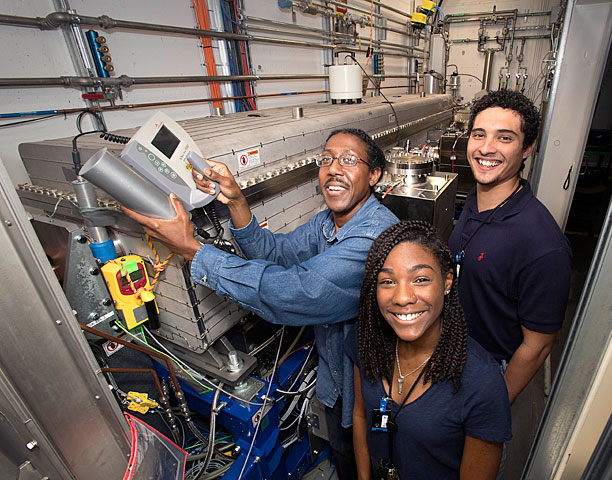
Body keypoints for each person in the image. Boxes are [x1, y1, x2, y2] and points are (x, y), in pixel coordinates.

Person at [122, 128, 399, 480]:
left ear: (373, 175)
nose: (333, 169)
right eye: (326, 158)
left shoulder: (372, 236)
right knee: (345, 454)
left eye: (348, 160)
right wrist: (237, 201)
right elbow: (277, 254)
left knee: (375, 461)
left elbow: (297, 293)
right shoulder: (328, 221)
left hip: (372, 387)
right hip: (338, 379)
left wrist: (193, 250)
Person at [347, 220, 511, 480]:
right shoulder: (366, 339)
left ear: (447, 282)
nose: (402, 297)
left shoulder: (482, 382)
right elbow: (360, 413)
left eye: (420, 279)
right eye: (387, 281)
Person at [448, 90, 572, 405]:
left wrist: (493, 405)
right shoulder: (475, 201)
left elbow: (538, 346)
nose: (486, 149)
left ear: (527, 148)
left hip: (486, 370)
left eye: (505, 138)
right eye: (479, 135)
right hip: (450, 351)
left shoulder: (542, 244)